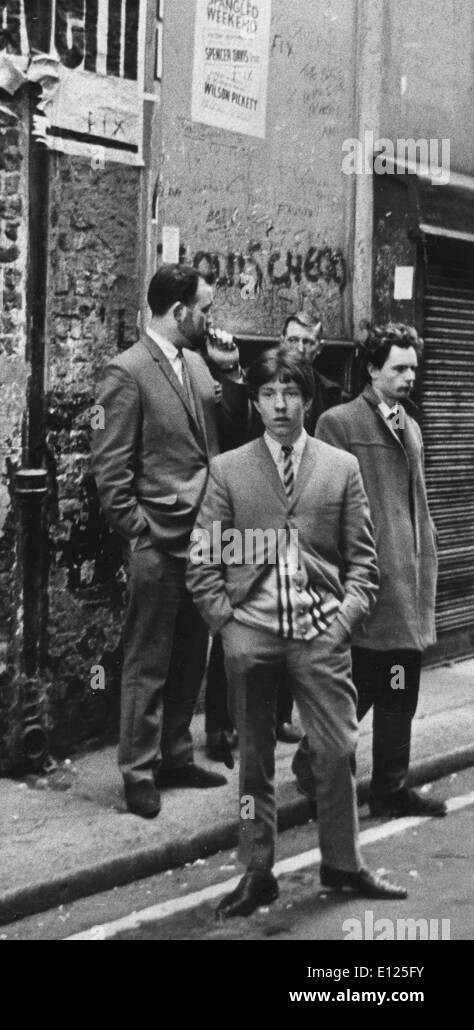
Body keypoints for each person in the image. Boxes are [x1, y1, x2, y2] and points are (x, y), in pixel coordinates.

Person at [188, 348, 406, 918]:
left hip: (319, 635)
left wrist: (342, 625)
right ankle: (256, 871)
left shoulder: (339, 467)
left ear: (309, 400)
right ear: (256, 402)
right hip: (252, 634)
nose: (280, 405)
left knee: (336, 751)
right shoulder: (229, 469)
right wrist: (226, 627)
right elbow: (202, 561)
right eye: (268, 394)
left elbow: (364, 564)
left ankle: (343, 863)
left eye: (291, 393)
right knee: (254, 765)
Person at [90, 263, 248, 819]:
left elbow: (230, 431)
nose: (210, 319)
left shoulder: (201, 365)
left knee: (190, 654)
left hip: (204, 538)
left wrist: (231, 374)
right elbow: (109, 469)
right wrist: (141, 530)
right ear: (178, 311)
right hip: (158, 540)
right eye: (204, 309)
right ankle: (137, 772)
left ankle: (177, 755)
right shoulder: (125, 371)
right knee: (148, 660)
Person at [295, 324, 446, 819]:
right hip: (365, 586)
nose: (409, 377)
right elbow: (319, 508)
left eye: (413, 368)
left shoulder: (412, 426)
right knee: (357, 689)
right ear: (373, 369)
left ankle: (390, 786)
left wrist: (429, 557)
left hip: (407, 583)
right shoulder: (339, 424)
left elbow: (417, 505)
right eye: (399, 368)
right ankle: (312, 765)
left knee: (400, 685)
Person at [205, 311, 347, 759]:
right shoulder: (263, 387)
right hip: (256, 527)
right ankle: (219, 726)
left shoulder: (329, 395)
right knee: (242, 621)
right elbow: (233, 428)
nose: (297, 347)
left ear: (318, 348)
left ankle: (281, 716)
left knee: (294, 624)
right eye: (291, 338)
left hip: (306, 529)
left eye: (306, 342)